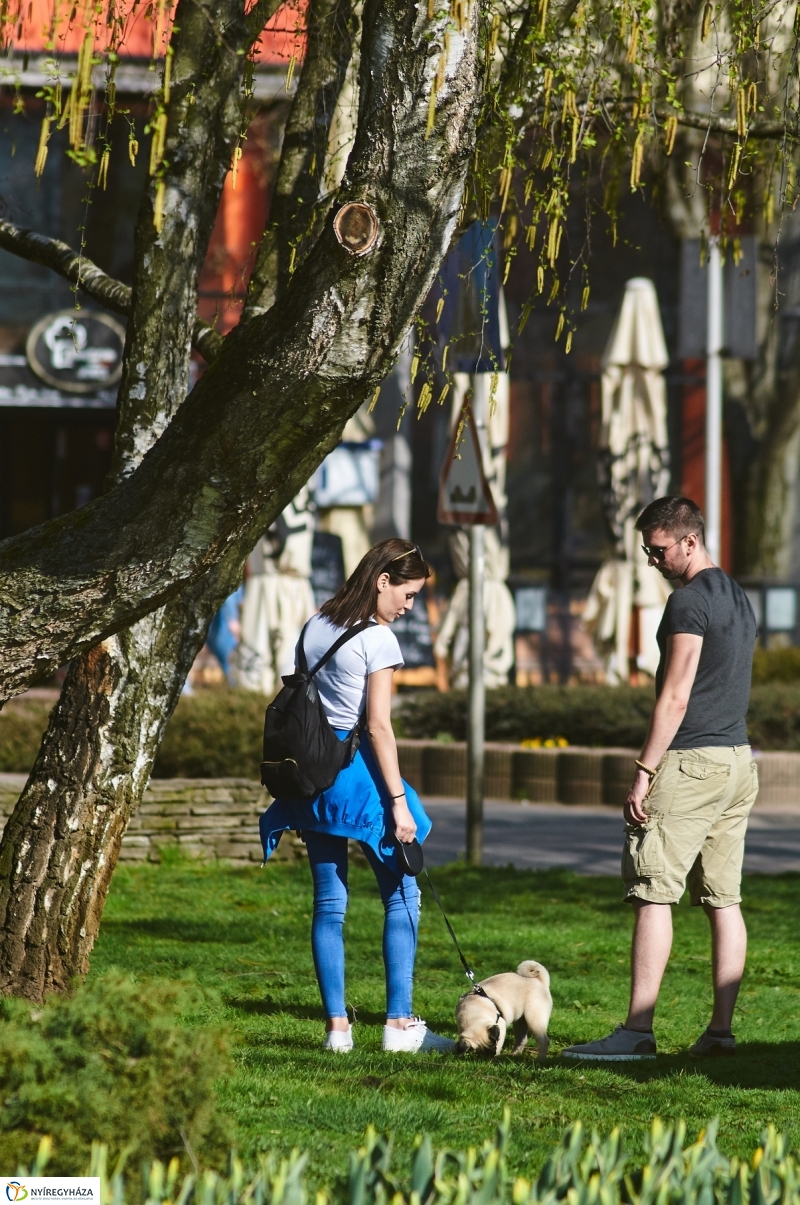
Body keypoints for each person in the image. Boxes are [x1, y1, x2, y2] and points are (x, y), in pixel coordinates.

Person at [563, 496, 758, 1061]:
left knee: (653, 893)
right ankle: (721, 1034)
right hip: (738, 761)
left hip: (691, 762)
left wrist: (643, 772)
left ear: (688, 541)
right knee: (725, 901)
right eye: (647, 550)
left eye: (658, 549)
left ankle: (637, 1032)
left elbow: (675, 695)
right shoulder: (737, 597)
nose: (652, 560)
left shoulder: (688, 603)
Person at [260, 538, 455, 1055]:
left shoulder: (316, 621)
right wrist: (397, 802)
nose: (409, 607)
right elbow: (378, 728)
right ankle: (398, 1025)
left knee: (329, 903)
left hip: (312, 779)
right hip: (356, 779)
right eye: (407, 595)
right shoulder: (380, 639)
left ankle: (336, 1032)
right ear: (382, 581)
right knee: (404, 894)